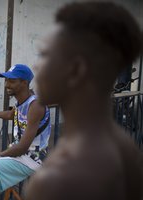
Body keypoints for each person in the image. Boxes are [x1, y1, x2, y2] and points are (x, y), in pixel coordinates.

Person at [26, 2, 143, 200]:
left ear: (75, 70)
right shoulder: (124, 145)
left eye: (44, 55)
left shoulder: (57, 180)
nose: (36, 66)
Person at [0, 64, 51, 200]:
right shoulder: (22, 101)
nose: (7, 84)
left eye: (12, 81)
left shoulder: (35, 105)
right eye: (6, 80)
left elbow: (22, 148)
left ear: (24, 82)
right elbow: (12, 115)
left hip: (31, 158)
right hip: (21, 154)